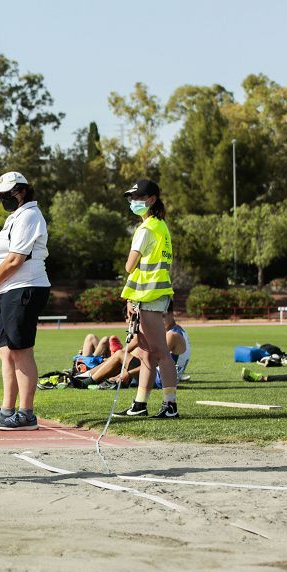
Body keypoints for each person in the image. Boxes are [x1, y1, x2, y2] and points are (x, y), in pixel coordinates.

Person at [0, 171, 51, 431]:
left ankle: (26, 413)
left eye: (6, 195)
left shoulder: (29, 214)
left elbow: (15, 259)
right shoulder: (15, 217)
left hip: (24, 288)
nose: (3, 200)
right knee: (6, 352)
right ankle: (7, 410)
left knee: (20, 350)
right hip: (8, 290)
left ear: (21, 191)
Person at [115, 179, 178, 418]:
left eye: (138, 198)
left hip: (149, 296)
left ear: (151, 199)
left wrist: (134, 297)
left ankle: (170, 406)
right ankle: (140, 404)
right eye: (131, 198)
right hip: (149, 294)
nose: (133, 202)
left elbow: (130, 265)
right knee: (145, 353)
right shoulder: (160, 226)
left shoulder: (146, 229)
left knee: (160, 352)